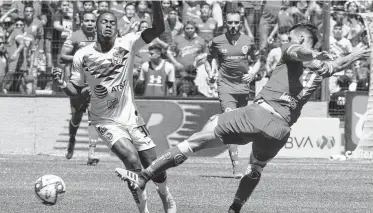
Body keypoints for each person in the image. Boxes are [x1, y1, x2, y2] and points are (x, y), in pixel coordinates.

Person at [115, 23, 370, 213]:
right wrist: (356, 55)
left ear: (301, 38)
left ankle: (145, 176)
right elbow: (336, 66)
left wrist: (311, 52)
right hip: (281, 130)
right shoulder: (320, 68)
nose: (285, 39)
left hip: (259, 114)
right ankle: (235, 209)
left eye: (290, 36)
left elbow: (297, 54)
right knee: (256, 167)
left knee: (202, 135)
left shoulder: (293, 49)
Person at [52, 4, 177, 213]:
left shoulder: (128, 43)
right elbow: (75, 89)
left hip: (131, 116)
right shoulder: (82, 55)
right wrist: (63, 84)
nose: (108, 25)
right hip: (104, 119)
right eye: (104, 22)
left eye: (112, 23)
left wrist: (156, 4)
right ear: (96, 27)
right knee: (130, 159)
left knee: (153, 165)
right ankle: (144, 211)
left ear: (117, 28)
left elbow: (157, 29)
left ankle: (165, 195)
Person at [205, 10, 262, 178]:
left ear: (240, 23)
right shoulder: (217, 41)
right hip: (225, 87)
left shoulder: (248, 41)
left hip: (243, 88)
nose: (233, 26)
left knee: (242, 128)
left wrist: (252, 74)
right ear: (225, 22)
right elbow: (208, 60)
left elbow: (258, 60)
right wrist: (210, 73)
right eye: (230, 22)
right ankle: (236, 167)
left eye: (236, 23)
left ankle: (253, 163)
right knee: (230, 123)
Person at [59, 12, 99, 165]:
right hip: (77, 83)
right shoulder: (74, 36)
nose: (90, 23)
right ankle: (72, 139)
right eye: (87, 20)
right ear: (81, 22)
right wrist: (81, 57)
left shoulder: (101, 37)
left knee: (94, 117)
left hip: (95, 83)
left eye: (92, 21)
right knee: (76, 116)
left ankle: (91, 153)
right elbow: (63, 57)